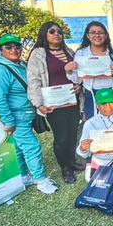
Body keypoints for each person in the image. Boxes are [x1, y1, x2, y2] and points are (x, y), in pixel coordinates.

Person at [0, 34, 58, 194]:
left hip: (28, 116)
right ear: (1, 50)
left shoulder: (21, 65)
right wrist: (8, 121)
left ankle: (23, 176)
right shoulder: (0, 70)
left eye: (17, 46)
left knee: (20, 149)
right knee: (32, 147)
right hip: (16, 118)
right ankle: (41, 180)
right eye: (8, 47)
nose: (14, 50)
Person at [27, 22, 84, 185]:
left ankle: (71, 161)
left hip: (71, 101)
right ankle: (65, 168)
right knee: (61, 136)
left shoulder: (69, 52)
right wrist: (38, 104)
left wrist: (79, 85)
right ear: (44, 34)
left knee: (73, 133)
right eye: (52, 31)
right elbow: (34, 81)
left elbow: (77, 74)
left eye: (59, 31)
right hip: (53, 104)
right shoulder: (38, 54)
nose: (56, 34)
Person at [76, 88, 113, 191]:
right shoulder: (90, 124)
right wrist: (83, 148)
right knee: (96, 184)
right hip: (100, 161)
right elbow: (83, 153)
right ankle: (99, 174)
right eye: (103, 103)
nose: (108, 107)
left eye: (111, 102)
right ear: (97, 105)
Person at [65, 21, 113, 120]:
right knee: (93, 124)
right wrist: (69, 71)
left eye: (100, 32)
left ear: (106, 36)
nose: (97, 35)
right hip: (91, 93)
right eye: (93, 32)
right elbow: (78, 80)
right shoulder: (81, 54)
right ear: (88, 36)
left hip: (112, 92)